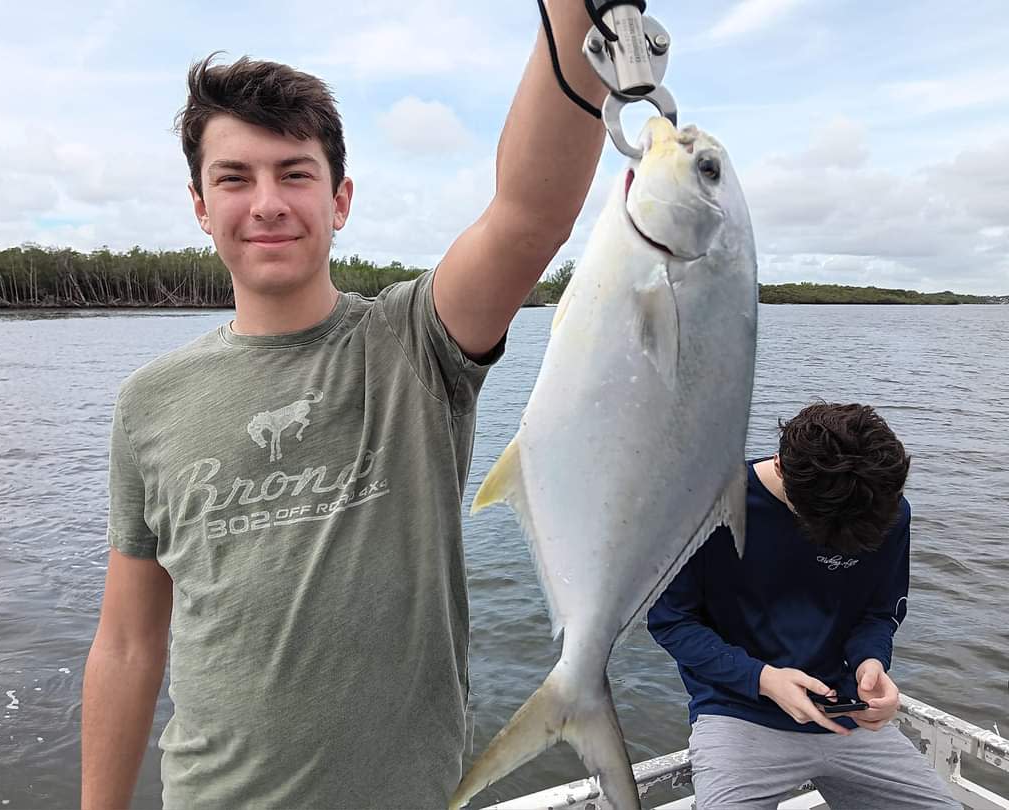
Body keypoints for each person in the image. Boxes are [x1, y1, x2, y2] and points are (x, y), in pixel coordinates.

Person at [79, 7, 610, 810]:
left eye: (295, 173)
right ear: (198, 204)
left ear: (341, 200)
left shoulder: (414, 344)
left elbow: (527, 217)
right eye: (234, 178)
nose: (266, 203)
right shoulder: (147, 404)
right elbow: (125, 644)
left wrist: (577, 16)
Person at [646, 402, 960, 809]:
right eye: (819, 525)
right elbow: (672, 622)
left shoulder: (883, 511)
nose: (834, 539)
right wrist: (763, 679)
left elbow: (879, 611)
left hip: (848, 711)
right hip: (739, 711)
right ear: (779, 466)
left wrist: (871, 663)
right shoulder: (700, 506)